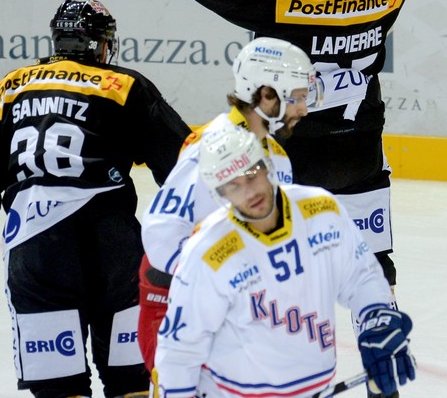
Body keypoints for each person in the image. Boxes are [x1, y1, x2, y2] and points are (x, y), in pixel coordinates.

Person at [122, 0, 426, 397]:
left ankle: (269, 359)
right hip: (360, 152)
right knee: (369, 264)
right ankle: (374, 351)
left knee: (281, 258)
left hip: (293, 152)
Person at [0, 0, 191, 398]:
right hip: (116, 249)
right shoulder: (125, 85)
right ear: (101, 45)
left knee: (59, 387)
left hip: (39, 253)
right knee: (133, 383)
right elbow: (186, 168)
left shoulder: (12, 87)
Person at [154, 123, 416, 398]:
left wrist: (377, 321)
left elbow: (361, 278)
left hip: (315, 387)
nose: (250, 192)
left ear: (268, 165)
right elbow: (180, 348)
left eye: (252, 173)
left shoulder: (321, 211)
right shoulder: (208, 251)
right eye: (233, 184)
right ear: (220, 195)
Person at [137, 37, 319, 371]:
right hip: (179, 307)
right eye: (297, 97)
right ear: (266, 95)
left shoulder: (277, 158)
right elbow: (161, 229)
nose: (304, 109)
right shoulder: (215, 145)